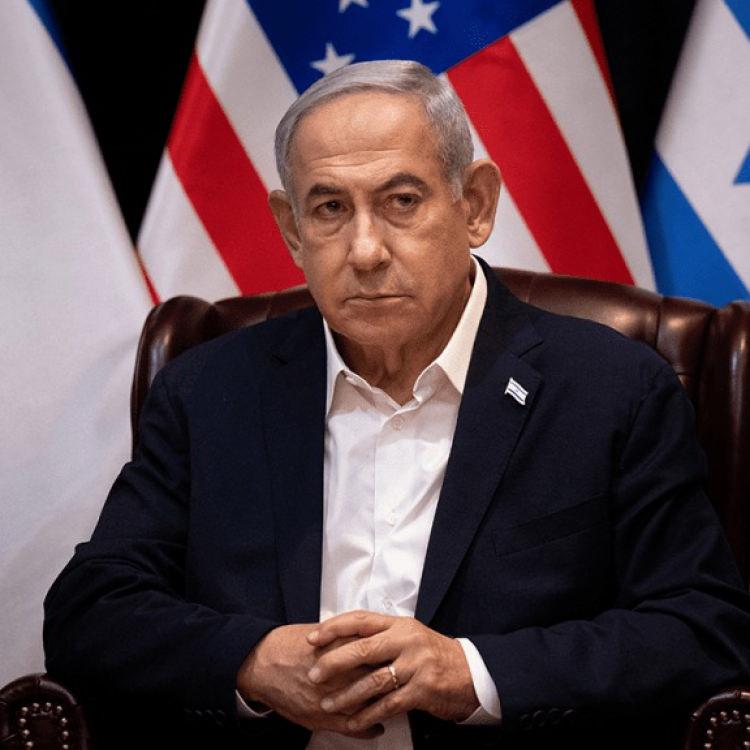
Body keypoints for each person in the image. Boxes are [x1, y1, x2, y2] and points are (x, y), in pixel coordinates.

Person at [44, 60, 750, 750]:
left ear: (475, 205)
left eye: (401, 201)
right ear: (291, 228)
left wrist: (470, 673)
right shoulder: (208, 391)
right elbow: (90, 609)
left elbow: (700, 626)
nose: (366, 250)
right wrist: (251, 661)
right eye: (330, 208)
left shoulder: (612, 389)